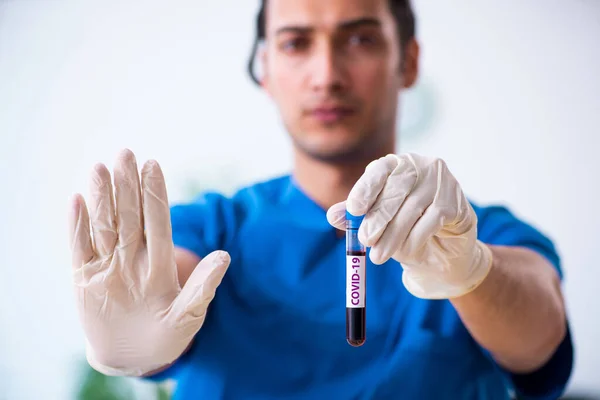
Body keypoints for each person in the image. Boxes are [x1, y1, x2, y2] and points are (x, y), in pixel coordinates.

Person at [67, 0, 574, 399]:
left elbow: (541, 336)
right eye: (295, 43)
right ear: (264, 68)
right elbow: (166, 282)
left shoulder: (470, 231)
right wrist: (132, 335)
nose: (327, 74)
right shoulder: (211, 228)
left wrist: (474, 270)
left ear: (409, 60)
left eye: (359, 38)